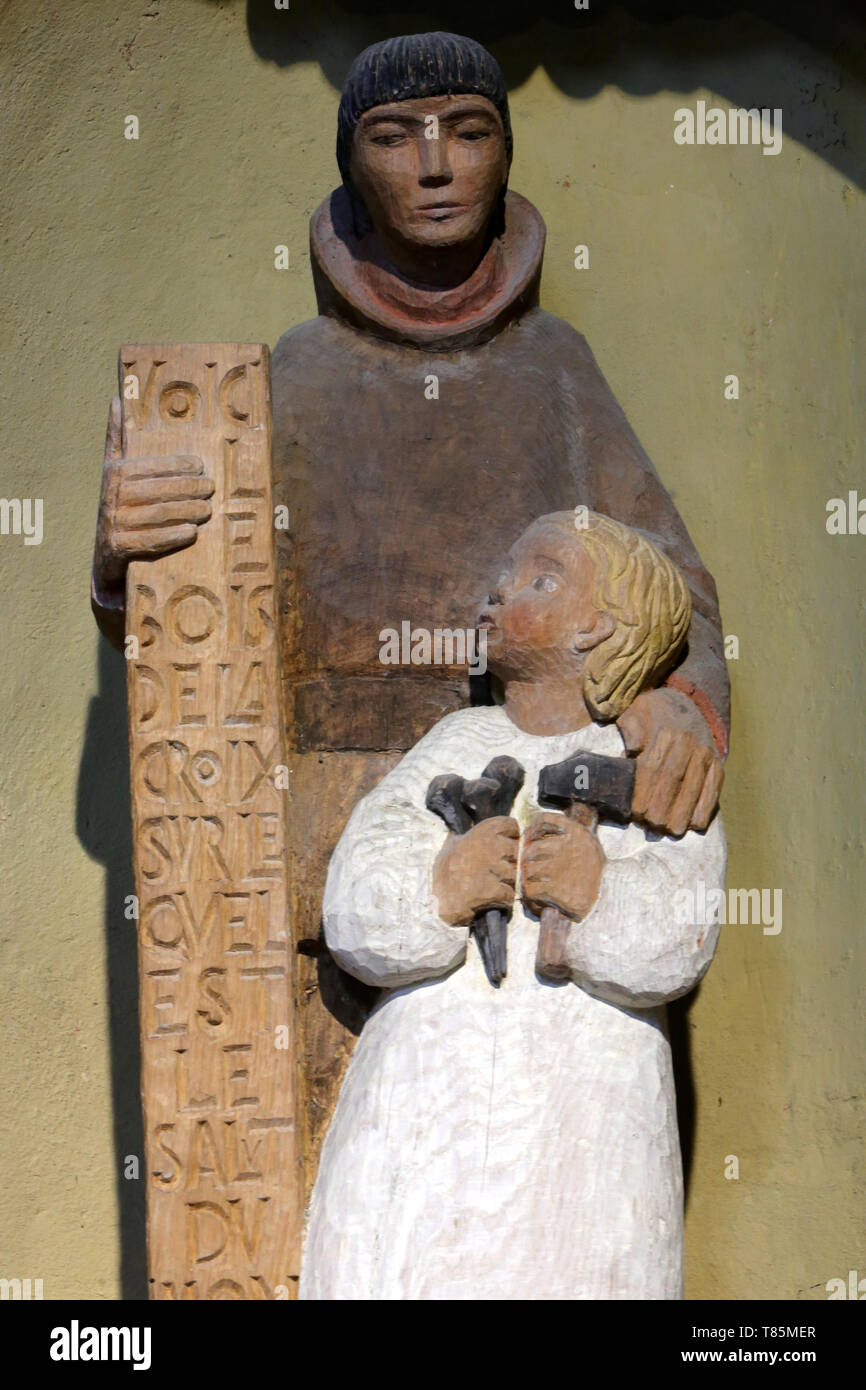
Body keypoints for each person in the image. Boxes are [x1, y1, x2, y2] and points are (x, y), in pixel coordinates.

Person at [91, 31, 728, 1181]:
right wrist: (126, 555)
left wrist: (674, 699)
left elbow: (668, 587)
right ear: (352, 170)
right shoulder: (285, 377)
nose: (434, 164)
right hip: (309, 837)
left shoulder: (553, 371)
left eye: (467, 131)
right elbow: (193, 615)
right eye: (394, 136)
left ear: (504, 158)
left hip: (528, 832)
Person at [300, 512, 725, 1300]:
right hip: (427, 1099)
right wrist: (442, 886)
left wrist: (598, 893)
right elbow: (356, 893)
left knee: (576, 1256)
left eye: (541, 577)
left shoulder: (650, 766)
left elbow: (684, 927)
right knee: (396, 1257)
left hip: (586, 1104)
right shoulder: (457, 743)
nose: (498, 588)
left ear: (601, 626)